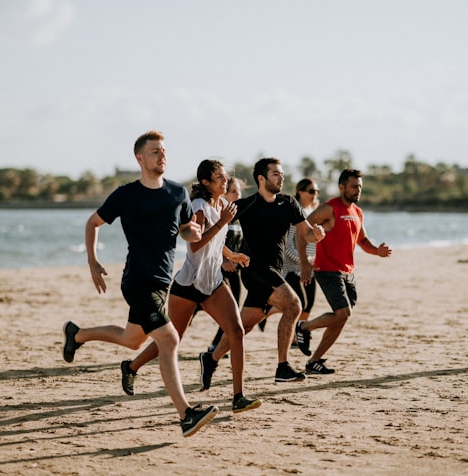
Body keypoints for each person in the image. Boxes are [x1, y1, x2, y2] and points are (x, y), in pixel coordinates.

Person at [61, 130, 218, 437]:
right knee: (169, 340)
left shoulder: (178, 192)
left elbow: (185, 229)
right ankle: (186, 414)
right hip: (137, 281)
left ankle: (77, 334)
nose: (162, 156)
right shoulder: (126, 194)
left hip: (161, 282)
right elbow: (93, 223)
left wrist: (193, 233)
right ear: (140, 158)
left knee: (132, 340)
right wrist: (92, 261)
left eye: (164, 151)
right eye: (155, 151)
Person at [120, 160, 261, 414]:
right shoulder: (199, 207)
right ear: (206, 182)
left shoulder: (222, 206)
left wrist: (231, 255)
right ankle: (131, 367)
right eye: (219, 177)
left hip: (213, 282)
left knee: (236, 331)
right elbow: (195, 245)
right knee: (173, 338)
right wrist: (222, 223)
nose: (225, 180)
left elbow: (215, 242)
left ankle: (238, 397)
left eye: (225, 176)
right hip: (188, 284)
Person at [199, 157, 326, 387]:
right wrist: (226, 257)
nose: (281, 178)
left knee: (244, 326)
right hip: (255, 269)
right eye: (276, 174)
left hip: (275, 270)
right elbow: (215, 230)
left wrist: (316, 235)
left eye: (282, 174)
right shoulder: (246, 205)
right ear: (261, 178)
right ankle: (282, 366)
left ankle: (211, 358)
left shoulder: (288, 203)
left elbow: (306, 233)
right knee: (294, 305)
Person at [294, 168, 392, 374]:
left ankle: (314, 361)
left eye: (360, 187)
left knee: (341, 318)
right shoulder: (329, 208)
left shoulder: (357, 212)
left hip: (347, 272)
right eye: (354, 186)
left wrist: (377, 251)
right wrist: (304, 262)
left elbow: (362, 241)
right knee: (343, 313)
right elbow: (301, 231)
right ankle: (304, 327)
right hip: (327, 269)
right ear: (342, 187)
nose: (358, 190)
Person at [207, 176, 246, 352]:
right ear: (224, 194)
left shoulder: (239, 217)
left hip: (234, 272)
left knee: (233, 310)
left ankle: (216, 344)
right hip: (216, 270)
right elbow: (209, 240)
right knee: (195, 308)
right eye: (233, 192)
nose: (238, 195)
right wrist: (223, 260)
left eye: (239, 192)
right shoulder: (219, 215)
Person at [282, 178, 321, 352]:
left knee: (309, 304)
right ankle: (292, 336)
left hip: (310, 266)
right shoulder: (295, 212)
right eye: (312, 191)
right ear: (300, 192)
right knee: (299, 303)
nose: (315, 194)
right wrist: (303, 260)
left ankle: (298, 336)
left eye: (317, 191)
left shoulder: (314, 212)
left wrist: (314, 261)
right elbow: (287, 245)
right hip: (292, 268)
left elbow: (315, 242)